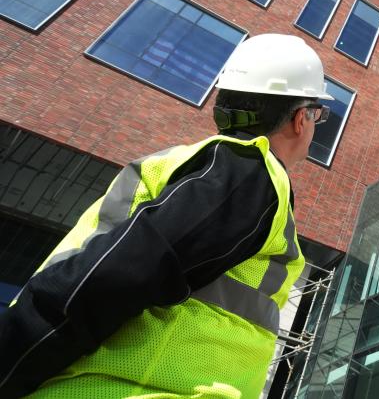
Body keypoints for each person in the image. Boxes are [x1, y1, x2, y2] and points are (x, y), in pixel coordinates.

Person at [0, 34, 332, 398]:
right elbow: (113, 273)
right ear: (301, 118)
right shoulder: (247, 173)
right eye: (318, 114)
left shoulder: (203, 167)